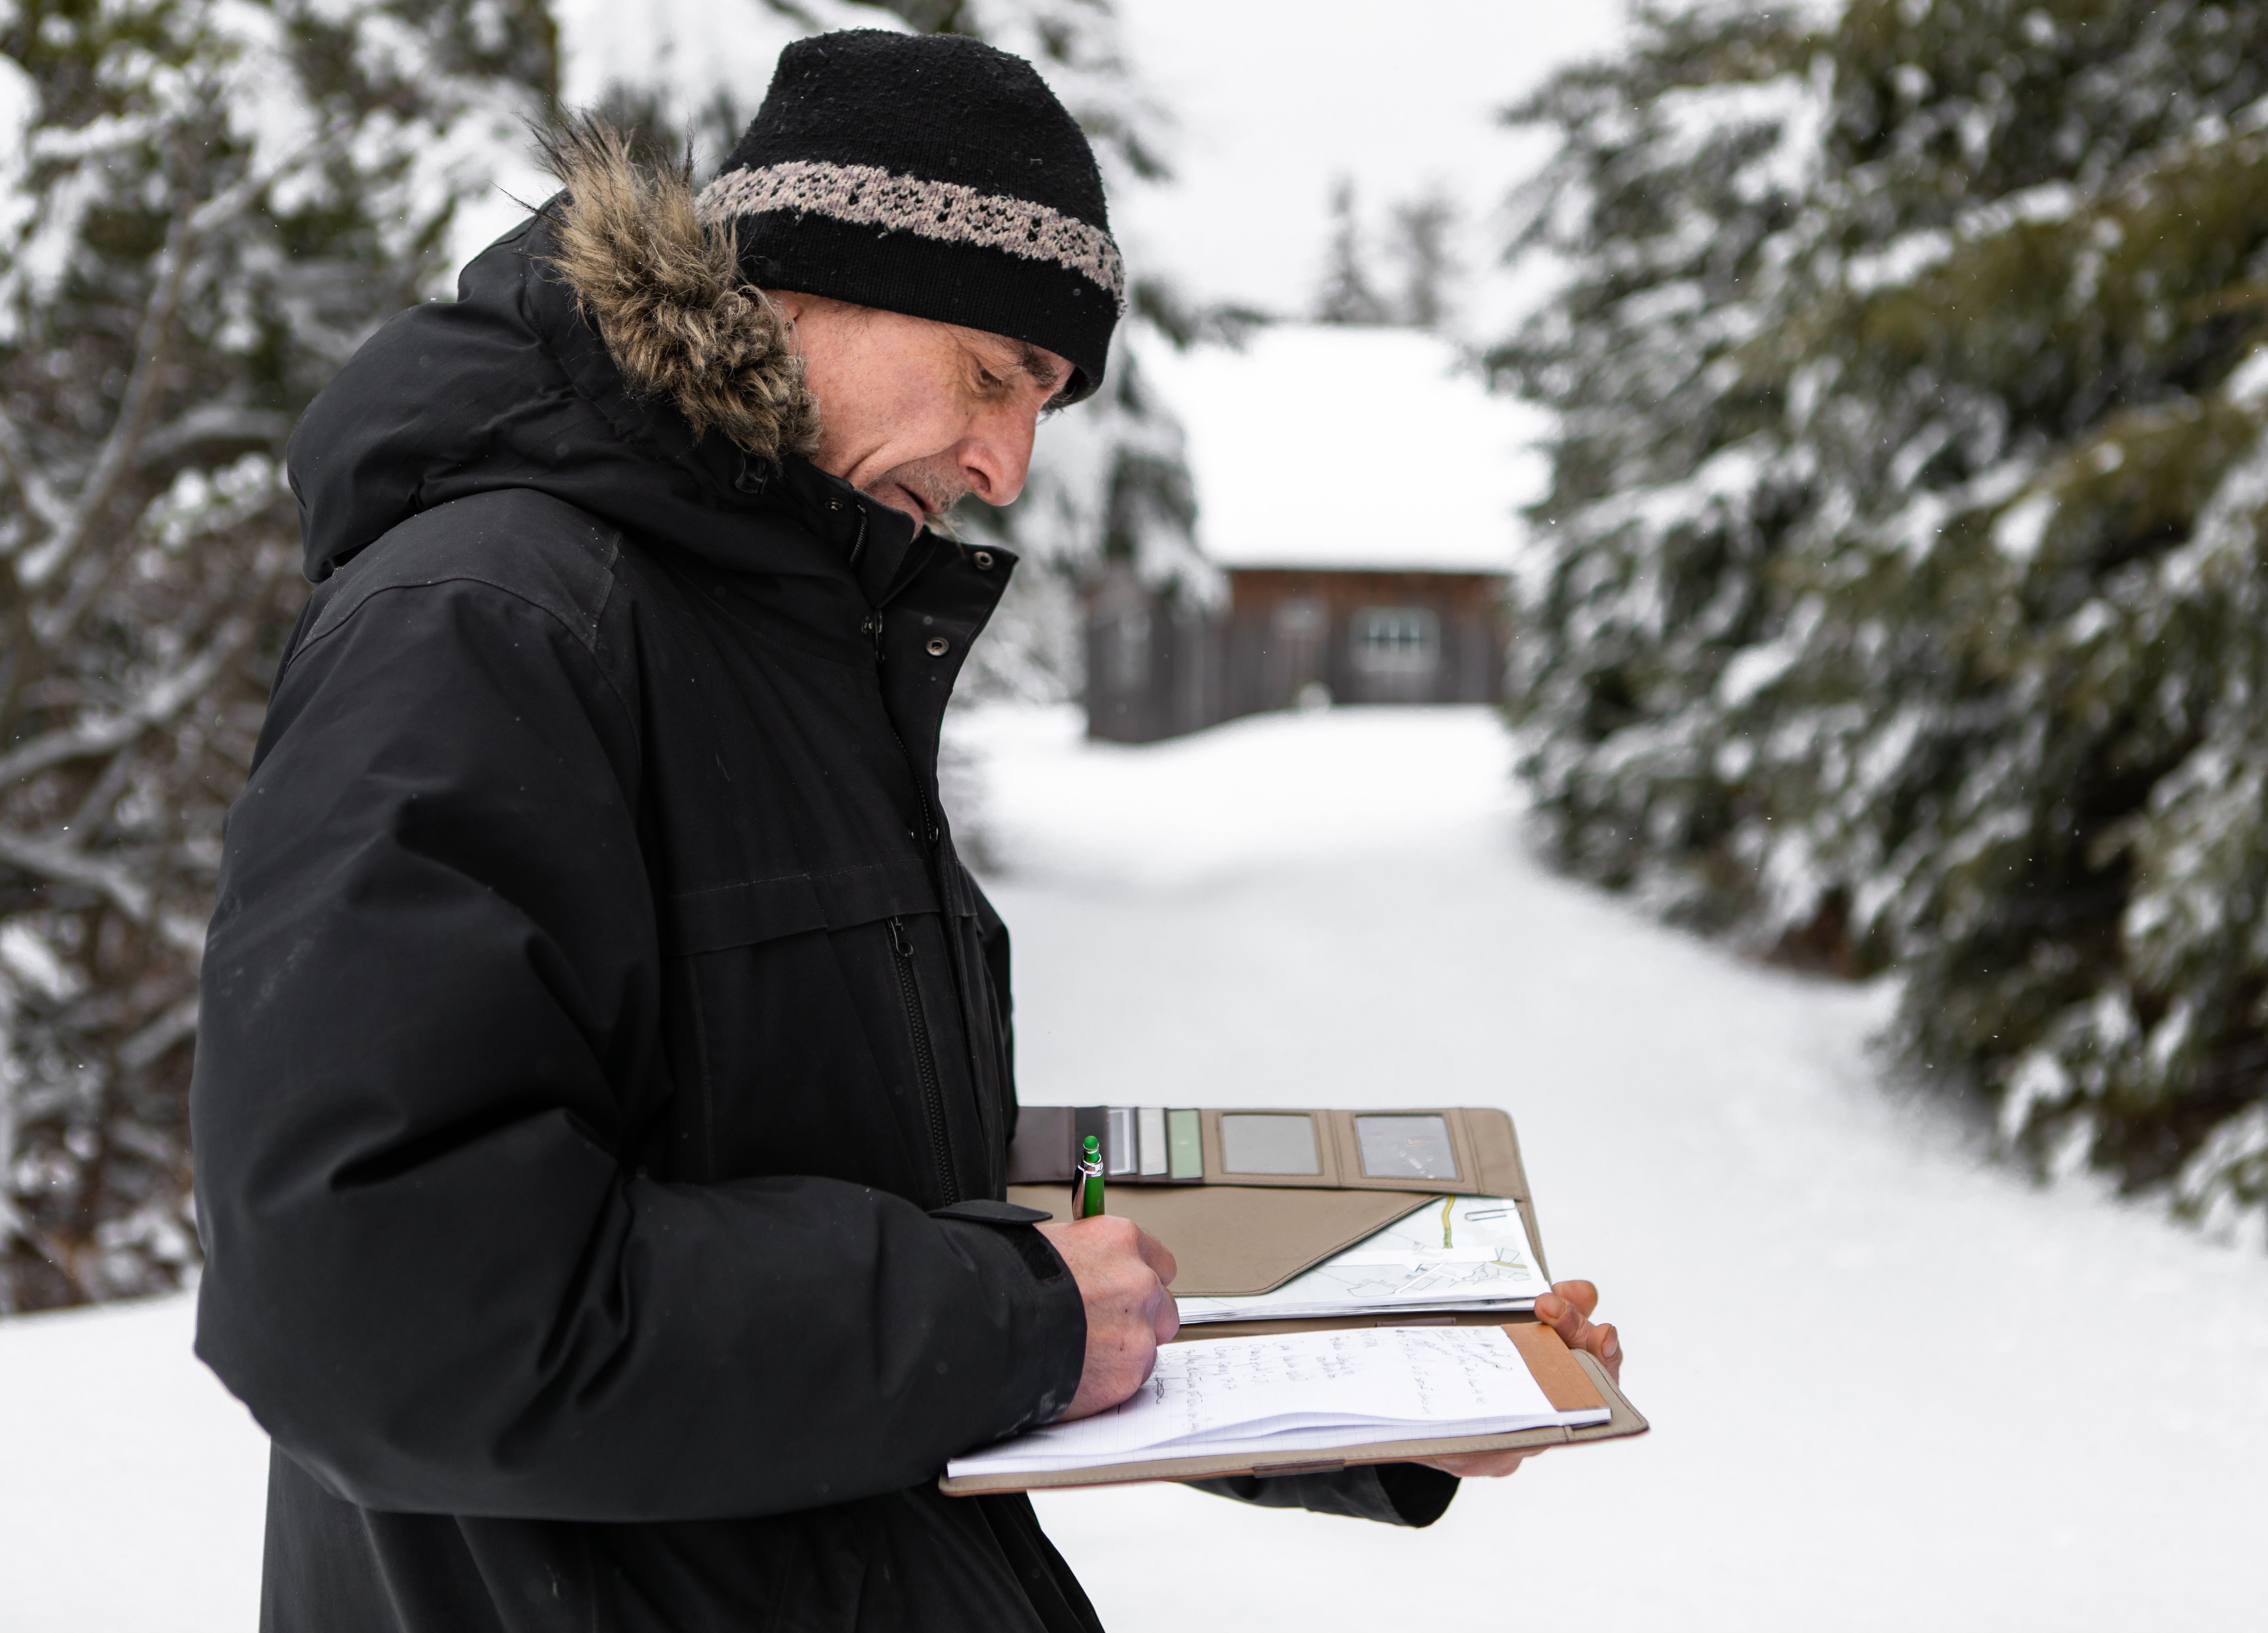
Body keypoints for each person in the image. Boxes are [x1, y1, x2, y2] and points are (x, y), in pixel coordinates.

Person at [189, 29, 1623, 1633]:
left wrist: (1381, 1383)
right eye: (992, 371)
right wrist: (1012, 1320)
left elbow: (874, 1215)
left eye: (1048, 400)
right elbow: (378, 1297)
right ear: (801, 285)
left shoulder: (792, 648)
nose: (1009, 461)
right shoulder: (494, 623)